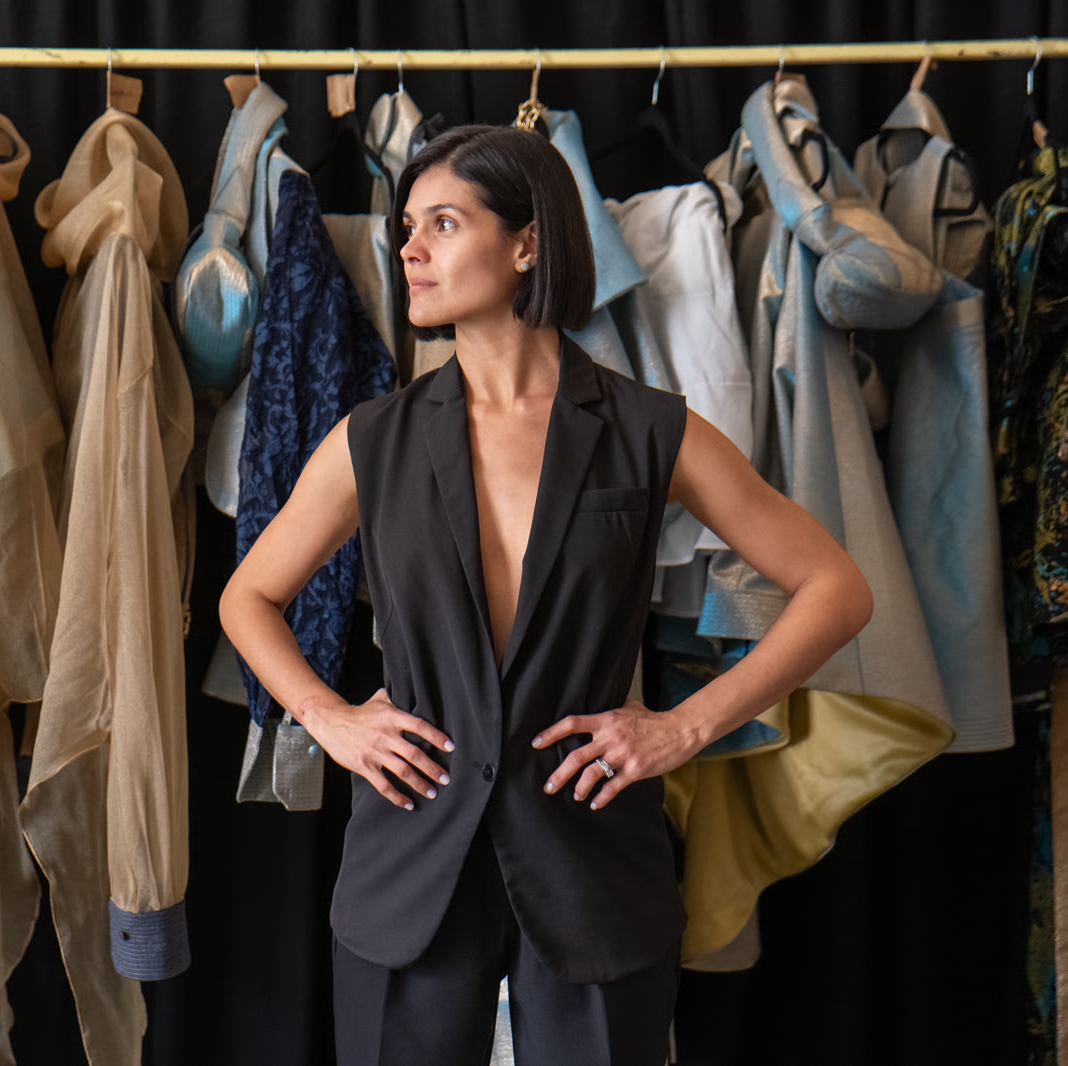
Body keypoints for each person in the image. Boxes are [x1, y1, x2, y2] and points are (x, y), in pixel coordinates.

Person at [218, 123, 873, 1066]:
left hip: (595, 864)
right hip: (409, 862)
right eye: (408, 226)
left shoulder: (650, 431)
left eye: (443, 223)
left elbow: (837, 590)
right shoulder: (375, 439)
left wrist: (683, 728)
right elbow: (249, 599)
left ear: (528, 243)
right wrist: (330, 719)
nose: (409, 248)